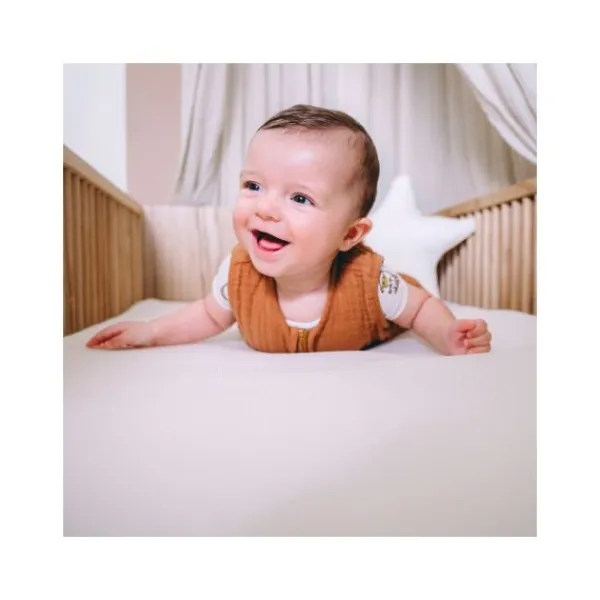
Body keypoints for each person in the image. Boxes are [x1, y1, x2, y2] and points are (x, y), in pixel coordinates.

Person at [87, 104, 491, 355]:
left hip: (375, 320)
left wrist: (446, 333)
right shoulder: (238, 275)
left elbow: (419, 308)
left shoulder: (371, 282)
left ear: (350, 235)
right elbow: (208, 315)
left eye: (299, 198)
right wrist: (152, 331)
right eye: (253, 186)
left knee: (412, 296)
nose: (265, 208)